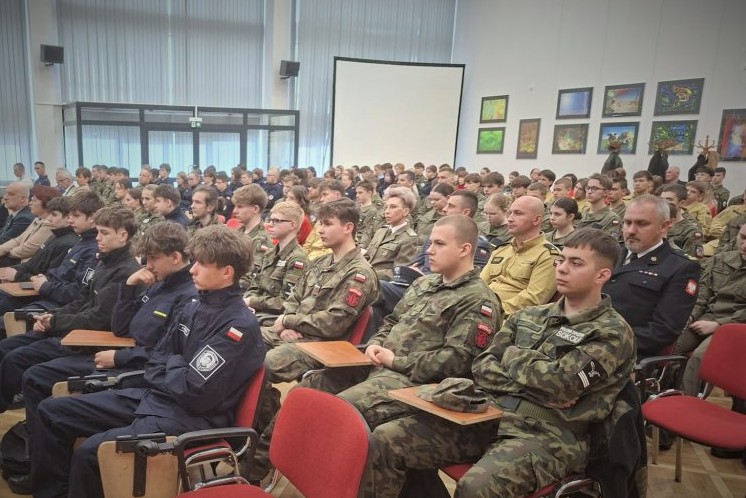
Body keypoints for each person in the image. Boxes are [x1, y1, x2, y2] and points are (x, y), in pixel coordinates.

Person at [367, 228, 636, 497]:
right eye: (561, 260)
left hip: (548, 434)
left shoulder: (611, 332)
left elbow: (561, 384)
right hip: (489, 414)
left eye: (576, 263)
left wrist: (512, 355)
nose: (563, 268)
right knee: (388, 438)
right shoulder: (529, 316)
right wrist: (534, 377)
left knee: (474, 488)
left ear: (602, 275)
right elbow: (482, 366)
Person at [250, 215, 503, 480]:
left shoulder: (478, 300)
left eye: (439, 244)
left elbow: (458, 361)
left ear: (464, 249)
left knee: (339, 410)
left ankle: (320, 479)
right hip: (376, 364)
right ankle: (256, 468)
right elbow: (391, 321)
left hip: (414, 382)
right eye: (430, 243)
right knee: (307, 391)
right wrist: (374, 344)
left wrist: (396, 361)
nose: (429, 250)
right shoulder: (424, 283)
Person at [22, 225, 264, 498]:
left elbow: (193, 393)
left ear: (227, 272)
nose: (193, 270)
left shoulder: (237, 327)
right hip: (156, 396)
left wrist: (172, 362)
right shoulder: (195, 305)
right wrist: (176, 364)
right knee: (52, 411)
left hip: (189, 418)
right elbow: (156, 359)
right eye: (194, 261)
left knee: (91, 453)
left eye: (202, 264)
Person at [0, 207, 141, 416]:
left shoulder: (124, 272)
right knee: (6, 347)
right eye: (98, 232)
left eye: (104, 233)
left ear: (123, 235)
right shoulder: (105, 261)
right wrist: (53, 317)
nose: (98, 238)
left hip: (87, 341)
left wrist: (56, 323)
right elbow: (82, 300)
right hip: (73, 328)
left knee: (19, 361)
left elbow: (99, 319)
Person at [261, 199, 379, 383]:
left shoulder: (359, 274)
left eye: (328, 224)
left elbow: (334, 322)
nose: (320, 230)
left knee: (263, 364)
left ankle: (264, 401)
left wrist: (288, 321)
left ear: (348, 228)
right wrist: (287, 325)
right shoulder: (320, 262)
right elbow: (294, 297)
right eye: (320, 224)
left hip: (321, 345)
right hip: (292, 333)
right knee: (239, 341)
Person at [603, 195, 701, 359]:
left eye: (642, 224)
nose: (631, 230)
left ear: (664, 226)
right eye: (627, 222)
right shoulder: (611, 253)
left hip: (624, 352)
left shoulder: (680, 267)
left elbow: (663, 330)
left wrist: (606, 341)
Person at [675, 222, 746, 396]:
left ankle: (686, 402)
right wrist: (690, 316)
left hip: (735, 326)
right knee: (671, 343)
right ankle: (660, 392)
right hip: (706, 317)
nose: (744, 245)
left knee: (700, 357)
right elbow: (701, 295)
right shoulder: (720, 260)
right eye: (743, 238)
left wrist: (718, 325)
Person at [480, 195, 558, 317]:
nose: (510, 219)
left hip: (508, 318)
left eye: (518, 213)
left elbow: (533, 300)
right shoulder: (501, 250)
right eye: (510, 213)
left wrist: (490, 310)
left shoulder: (548, 255)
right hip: (482, 311)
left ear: (536, 220)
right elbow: (480, 284)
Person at [244, 201, 310, 315]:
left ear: (292, 225)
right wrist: (248, 301)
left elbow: (286, 302)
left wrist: (252, 302)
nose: (270, 224)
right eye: (270, 220)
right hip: (257, 310)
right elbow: (254, 285)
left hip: (274, 316)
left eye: (276, 221)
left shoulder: (298, 259)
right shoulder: (269, 253)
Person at [0, 197, 77, 285]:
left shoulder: (66, 244)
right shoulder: (54, 236)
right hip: (29, 280)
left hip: (35, 287)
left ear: (68, 217)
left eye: (54, 215)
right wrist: (12, 270)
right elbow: (32, 264)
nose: (49, 219)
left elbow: (49, 279)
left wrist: (17, 276)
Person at [364, 187, 419, 281]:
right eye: (386, 207)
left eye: (393, 207)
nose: (387, 211)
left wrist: (368, 273)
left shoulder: (409, 239)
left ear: (405, 211)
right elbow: (367, 256)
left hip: (380, 282)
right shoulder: (381, 231)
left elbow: (398, 272)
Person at [0, 185, 59, 267]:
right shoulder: (37, 219)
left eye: (34, 201)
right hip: (18, 260)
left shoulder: (49, 224)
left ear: (47, 203)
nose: (30, 203)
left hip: (26, 265)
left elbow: (26, 250)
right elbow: (18, 240)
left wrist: (5, 252)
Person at [233, 184, 273, 288]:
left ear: (255, 208)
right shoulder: (237, 233)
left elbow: (252, 279)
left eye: (240, 206)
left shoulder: (261, 241)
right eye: (235, 206)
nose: (235, 211)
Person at [660, 184, 704, 259]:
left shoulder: (692, 231)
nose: (664, 203)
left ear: (682, 203)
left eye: (669, 200)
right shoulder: (654, 222)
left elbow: (692, 261)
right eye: (661, 199)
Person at [576, 173, 622, 240]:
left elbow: (608, 243)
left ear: (606, 193)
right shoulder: (581, 214)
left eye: (594, 188)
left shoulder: (612, 219)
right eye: (588, 188)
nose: (589, 192)